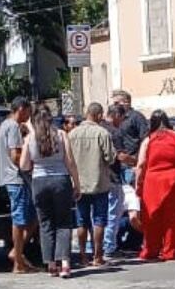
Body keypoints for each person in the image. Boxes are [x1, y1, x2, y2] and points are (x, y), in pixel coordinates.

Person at [20, 107, 81, 278]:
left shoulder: (30, 138)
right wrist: (77, 184)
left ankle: (51, 264)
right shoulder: (61, 135)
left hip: (39, 181)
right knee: (63, 222)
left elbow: (24, 165)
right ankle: (65, 264)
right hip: (61, 180)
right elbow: (70, 161)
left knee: (45, 223)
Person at [136, 110, 175, 262]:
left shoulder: (148, 140)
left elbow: (141, 164)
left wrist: (138, 183)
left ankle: (151, 250)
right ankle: (169, 251)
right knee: (173, 217)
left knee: (151, 216)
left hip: (153, 181)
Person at [68, 103, 116, 267]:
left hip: (79, 184)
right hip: (99, 183)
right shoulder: (102, 133)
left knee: (82, 221)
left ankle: (83, 257)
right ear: (99, 115)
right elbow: (110, 157)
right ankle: (97, 256)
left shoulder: (72, 134)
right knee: (99, 220)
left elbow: (68, 158)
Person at [0, 99, 37, 274]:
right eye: (28, 111)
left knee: (31, 217)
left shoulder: (4, 125)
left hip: (9, 177)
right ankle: (18, 261)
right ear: (21, 109)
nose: (29, 115)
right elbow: (15, 155)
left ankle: (17, 252)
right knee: (20, 219)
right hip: (16, 178)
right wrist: (30, 163)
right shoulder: (13, 126)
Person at [101, 104, 131, 258]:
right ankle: (109, 246)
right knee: (113, 212)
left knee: (98, 214)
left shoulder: (98, 129)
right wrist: (136, 160)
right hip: (112, 177)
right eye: (123, 118)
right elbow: (120, 156)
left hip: (96, 179)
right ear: (117, 115)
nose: (123, 122)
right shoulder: (114, 132)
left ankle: (96, 246)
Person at [113, 89, 148, 185]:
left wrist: (137, 160)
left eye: (116, 103)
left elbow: (145, 139)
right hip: (118, 165)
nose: (114, 106)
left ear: (126, 102)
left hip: (131, 164)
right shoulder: (116, 117)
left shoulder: (137, 117)